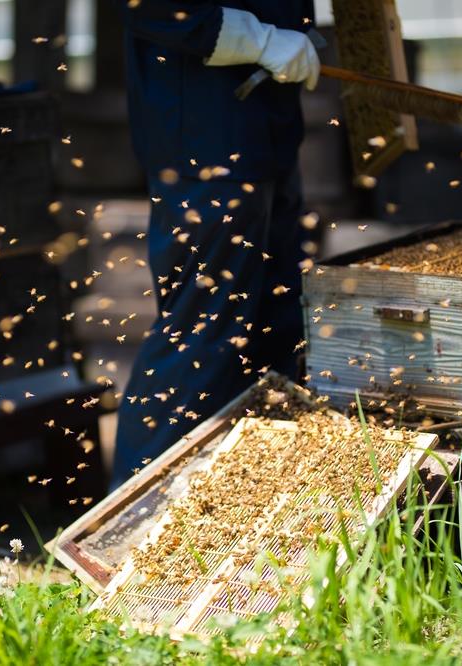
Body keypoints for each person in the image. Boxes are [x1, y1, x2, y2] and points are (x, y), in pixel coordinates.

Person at [110, 1, 319, 489]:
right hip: (207, 146)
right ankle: (126, 532)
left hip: (266, 137)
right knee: (202, 338)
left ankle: (248, 514)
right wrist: (263, 41)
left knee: (276, 333)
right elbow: (155, 9)